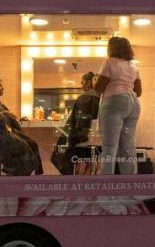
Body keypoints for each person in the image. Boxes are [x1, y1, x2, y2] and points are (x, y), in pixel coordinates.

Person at [0, 71, 43, 176]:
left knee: (32, 143)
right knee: (22, 145)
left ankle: (36, 172)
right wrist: (4, 114)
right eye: (0, 86)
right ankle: (17, 172)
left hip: (5, 133)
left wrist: (16, 119)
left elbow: (8, 118)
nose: (3, 88)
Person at [95, 36, 142, 175]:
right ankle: (130, 184)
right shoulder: (134, 65)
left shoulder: (109, 62)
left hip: (114, 103)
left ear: (112, 48)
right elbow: (138, 91)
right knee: (128, 147)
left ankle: (106, 186)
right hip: (133, 105)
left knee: (109, 146)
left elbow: (98, 87)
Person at [60, 72, 101, 174]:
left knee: (67, 159)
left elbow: (81, 123)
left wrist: (73, 141)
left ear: (88, 82)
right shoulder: (101, 99)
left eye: (82, 82)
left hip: (83, 142)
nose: (81, 85)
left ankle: (80, 179)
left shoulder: (85, 98)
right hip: (97, 141)